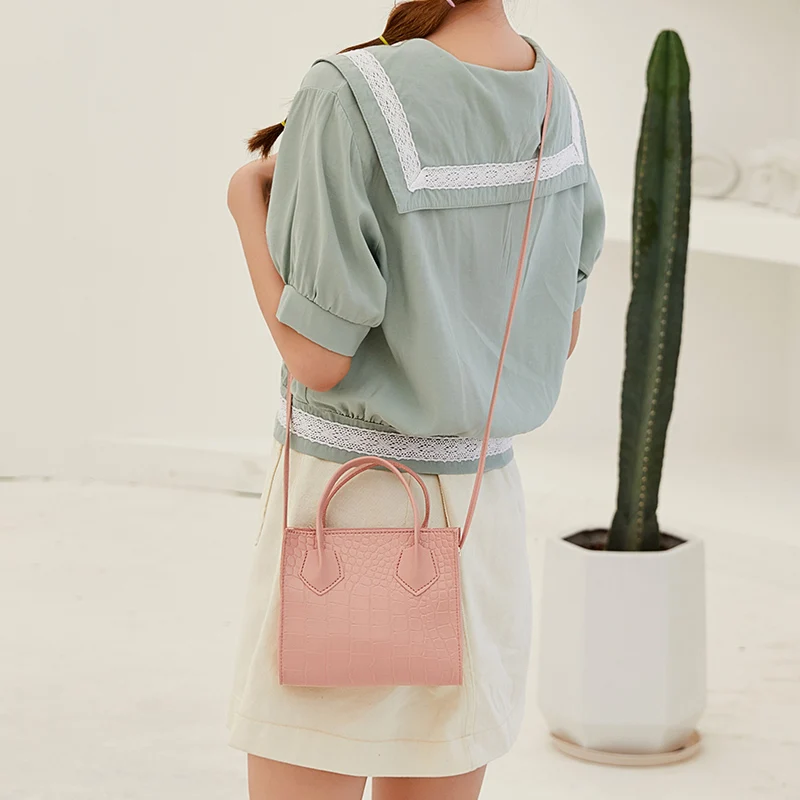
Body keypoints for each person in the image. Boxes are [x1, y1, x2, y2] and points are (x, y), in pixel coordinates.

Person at [225, 0, 605, 797]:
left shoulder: (346, 90)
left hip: (343, 514)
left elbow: (317, 359)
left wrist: (243, 206)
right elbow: (556, 335)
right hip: (479, 519)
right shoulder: (552, 96)